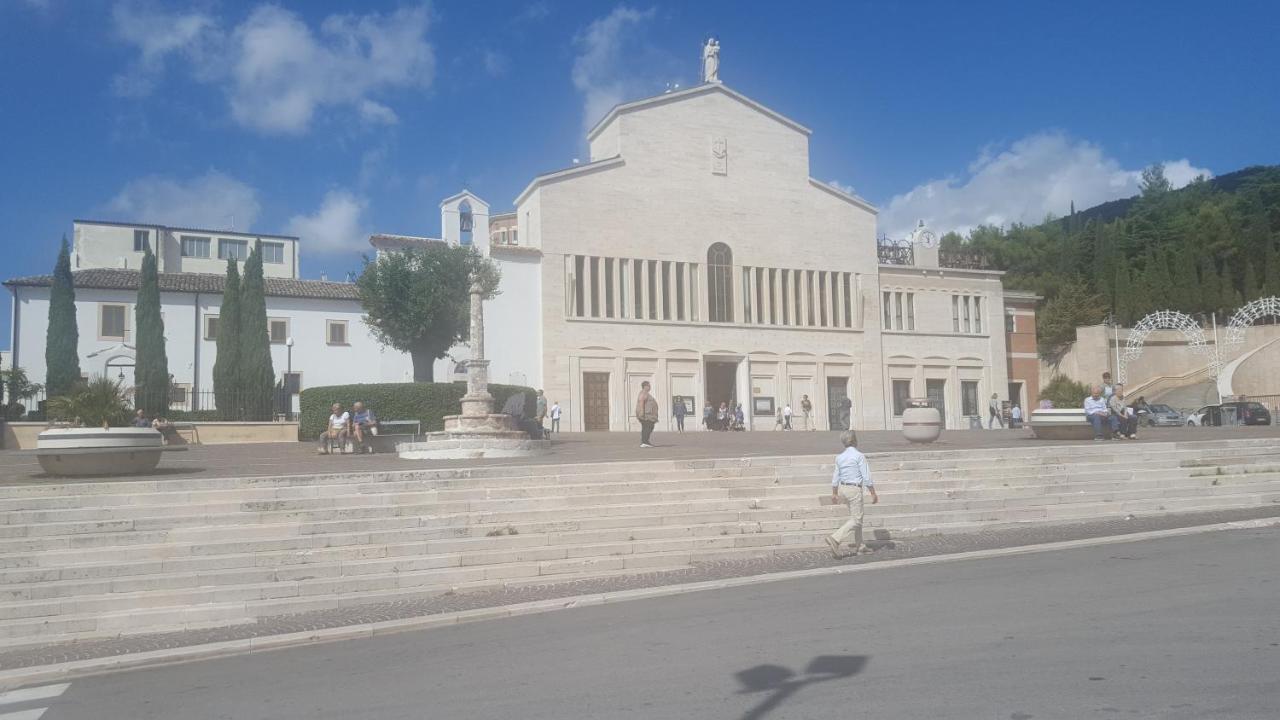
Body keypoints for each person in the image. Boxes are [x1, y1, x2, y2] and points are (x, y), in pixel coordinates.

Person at [824, 430, 879, 558]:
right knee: (857, 519)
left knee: (856, 517)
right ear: (854, 440)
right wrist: (873, 492)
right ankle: (835, 538)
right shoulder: (859, 456)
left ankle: (860, 546)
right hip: (854, 489)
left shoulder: (840, 457)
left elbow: (835, 476)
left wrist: (834, 492)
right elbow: (866, 476)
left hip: (843, 488)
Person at [636, 381, 658, 448]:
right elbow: (641, 401)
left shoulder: (646, 393)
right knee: (648, 427)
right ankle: (644, 441)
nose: (650, 387)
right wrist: (642, 412)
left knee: (647, 427)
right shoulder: (643, 393)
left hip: (648, 415)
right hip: (646, 415)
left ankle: (645, 441)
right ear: (645, 386)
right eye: (649, 385)